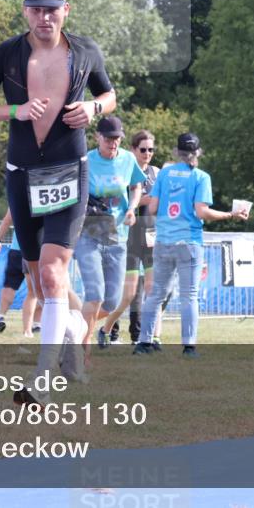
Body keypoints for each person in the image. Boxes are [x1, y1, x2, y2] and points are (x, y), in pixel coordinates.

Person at [0, 0, 115, 404]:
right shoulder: (8, 55)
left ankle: (41, 382)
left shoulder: (85, 52)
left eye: (52, 8)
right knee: (40, 283)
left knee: (51, 273)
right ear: (25, 11)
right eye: (36, 9)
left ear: (67, 9)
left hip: (69, 172)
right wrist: (16, 109)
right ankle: (75, 331)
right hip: (22, 174)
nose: (45, 17)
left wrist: (93, 107)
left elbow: (109, 94)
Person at [134, 133, 250, 357]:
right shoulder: (201, 177)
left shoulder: (165, 173)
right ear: (197, 153)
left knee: (156, 293)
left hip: (164, 240)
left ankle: (144, 343)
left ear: (176, 152)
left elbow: (153, 208)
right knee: (189, 295)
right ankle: (188, 347)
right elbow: (201, 212)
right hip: (189, 242)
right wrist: (231, 214)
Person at [76, 116, 145, 350]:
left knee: (113, 300)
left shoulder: (127, 159)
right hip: (90, 233)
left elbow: (137, 185)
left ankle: (74, 325)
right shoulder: (85, 159)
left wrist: (133, 208)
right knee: (94, 293)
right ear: (97, 137)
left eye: (117, 139)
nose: (113, 143)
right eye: (108, 138)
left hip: (118, 236)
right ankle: (80, 349)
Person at [101, 129, 159, 346]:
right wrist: (148, 199)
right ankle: (111, 330)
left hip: (151, 233)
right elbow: (123, 200)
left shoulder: (156, 172)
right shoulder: (124, 171)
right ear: (134, 149)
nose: (147, 154)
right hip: (128, 234)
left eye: (151, 150)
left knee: (152, 288)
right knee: (127, 291)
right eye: (143, 149)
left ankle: (142, 336)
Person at [0, 208, 42, 337]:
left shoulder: (18, 194)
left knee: (10, 286)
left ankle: (0, 316)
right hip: (34, 251)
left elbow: (7, 219)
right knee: (36, 291)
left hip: (16, 249)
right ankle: (34, 325)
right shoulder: (44, 193)